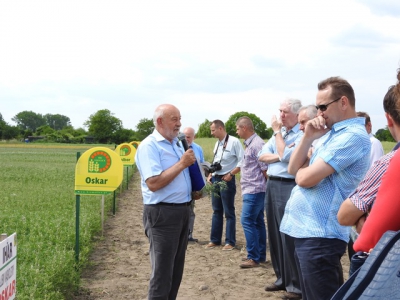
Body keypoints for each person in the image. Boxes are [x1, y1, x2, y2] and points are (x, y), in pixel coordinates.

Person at [280, 77, 371, 300]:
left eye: (322, 107)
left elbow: (303, 178)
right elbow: (293, 167)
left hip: (321, 236)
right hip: (308, 232)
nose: (319, 113)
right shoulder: (330, 134)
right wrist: (308, 137)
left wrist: (304, 170)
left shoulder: (353, 136)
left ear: (343, 102)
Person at [135, 104, 197, 300]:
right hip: (162, 215)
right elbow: (153, 183)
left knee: (175, 273)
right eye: (174, 119)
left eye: (180, 118)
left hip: (182, 212)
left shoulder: (176, 144)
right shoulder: (149, 146)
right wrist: (182, 163)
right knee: (162, 274)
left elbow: (178, 176)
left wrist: (192, 190)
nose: (179, 123)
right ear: (160, 121)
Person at [337, 84, 400, 273]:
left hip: (381, 262)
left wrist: (367, 218)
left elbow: (344, 215)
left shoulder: (389, 162)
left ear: (388, 118)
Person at [258, 98, 303, 300]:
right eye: (280, 111)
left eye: (284, 112)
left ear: (296, 113)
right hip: (272, 183)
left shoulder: (301, 133)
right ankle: (281, 278)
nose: (280, 115)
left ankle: (294, 284)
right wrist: (281, 154)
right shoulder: (282, 134)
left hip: (289, 185)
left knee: (289, 234)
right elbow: (261, 155)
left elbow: (290, 157)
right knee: (275, 232)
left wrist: (280, 147)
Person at [205, 119, 244, 251]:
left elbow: (242, 161)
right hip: (216, 179)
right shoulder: (217, 144)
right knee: (216, 211)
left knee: (229, 212)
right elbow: (216, 161)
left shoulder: (234, 142)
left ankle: (230, 242)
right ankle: (215, 240)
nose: (211, 133)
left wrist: (231, 174)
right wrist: (210, 174)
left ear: (220, 128)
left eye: (213, 130)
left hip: (227, 180)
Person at [235, 116, 268, 268]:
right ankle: (259, 255)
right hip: (253, 189)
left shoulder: (257, 144)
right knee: (257, 221)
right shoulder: (251, 144)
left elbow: (265, 169)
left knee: (247, 221)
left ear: (244, 128)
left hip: (254, 189)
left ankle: (253, 257)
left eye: (237, 128)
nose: (236, 132)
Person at [182, 126, 205, 242]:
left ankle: (189, 235)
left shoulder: (198, 149)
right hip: (181, 185)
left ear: (194, 137)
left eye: (189, 137)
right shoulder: (178, 147)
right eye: (185, 136)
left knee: (190, 211)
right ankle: (180, 235)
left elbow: (201, 166)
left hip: (193, 184)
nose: (186, 139)